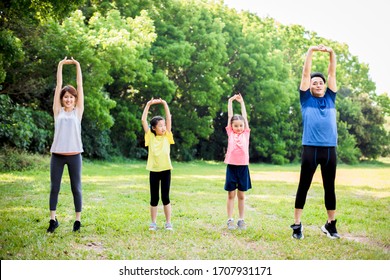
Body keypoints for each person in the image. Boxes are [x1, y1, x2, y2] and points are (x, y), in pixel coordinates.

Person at [291, 44, 340, 239]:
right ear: (309, 86)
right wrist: (311, 51)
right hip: (310, 148)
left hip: (329, 150)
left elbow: (332, 73)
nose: (318, 84)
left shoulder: (331, 97)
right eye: (314, 82)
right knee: (304, 185)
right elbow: (305, 74)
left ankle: (330, 224)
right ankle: (296, 225)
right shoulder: (306, 99)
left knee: (330, 187)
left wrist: (331, 53)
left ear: (325, 85)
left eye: (321, 82)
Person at [47, 57, 84, 233]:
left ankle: (77, 221)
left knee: (76, 188)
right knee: (55, 188)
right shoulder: (57, 111)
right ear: (62, 99)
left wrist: (77, 65)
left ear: (75, 100)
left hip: (75, 155)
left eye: (71, 97)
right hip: (57, 156)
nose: (68, 99)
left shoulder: (78, 112)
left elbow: (80, 85)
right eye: (66, 97)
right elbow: (58, 84)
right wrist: (60, 65)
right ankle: (53, 220)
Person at [141, 98, 174, 231]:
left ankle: (168, 223)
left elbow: (169, 118)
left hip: (166, 170)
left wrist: (165, 104)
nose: (163, 127)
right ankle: (153, 223)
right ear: (153, 128)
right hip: (154, 170)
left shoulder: (167, 135)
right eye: (160, 125)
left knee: (165, 197)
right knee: (154, 198)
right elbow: (143, 120)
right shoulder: (150, 136)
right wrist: (148, 104)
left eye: (164, 125)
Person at [224, 93, 252, 230]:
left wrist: (241, 102)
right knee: (231, 194)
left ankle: (241, 219)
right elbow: (230, 116)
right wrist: (230, 101)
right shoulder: (230, 132)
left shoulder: (246, 133)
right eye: (236, 126)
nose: (239, 128)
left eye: (241, 126)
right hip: (231, 166)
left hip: (243, 167)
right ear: (232, 126)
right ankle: (230, 219)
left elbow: (244, 117)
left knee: (241, 195)